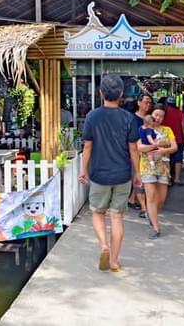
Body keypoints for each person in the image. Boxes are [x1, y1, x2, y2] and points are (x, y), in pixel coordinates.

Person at [79, 74, 141, 272]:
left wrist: (83, 171)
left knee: (97, 212)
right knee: (117, 217)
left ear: (100, 93)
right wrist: (137, 173)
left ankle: (103, 245)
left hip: (99, 175)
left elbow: (87, 147)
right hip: (122, 175)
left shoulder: (92, 116)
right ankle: (114, 261)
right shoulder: (128, 118)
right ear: (121, 94)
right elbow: (133, 149)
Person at [137, 106, 177, 238]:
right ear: (151, 115)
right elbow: (139, 147)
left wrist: (163, 151)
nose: (158, 118)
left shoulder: (167, 130)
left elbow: (174, 147)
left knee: (161, 199)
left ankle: (151, 215)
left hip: (164, 168)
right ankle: (156, 227)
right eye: (156, 115)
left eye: (161, 116)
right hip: (147, 167)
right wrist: (154, 146)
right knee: (152, 197)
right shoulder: (142, 129)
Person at [127, 94, 153, 217]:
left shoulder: (150, 118)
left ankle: (133, 199)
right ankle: (139, 203)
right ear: (139, 103)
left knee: (142, 176)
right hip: (135, 152)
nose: (148, 105)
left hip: (148, 152)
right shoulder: (132, 119)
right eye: (145, 102)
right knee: (138, 176)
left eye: (149, 103)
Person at [162, 96, 184, 185]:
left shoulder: (164, 112)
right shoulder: (179, 113)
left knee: (166, 159)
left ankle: (167, 179)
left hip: (165, 139)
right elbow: (183, 126)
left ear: (166, 103)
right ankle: (177, 178)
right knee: (178, 159)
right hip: (178, 138)